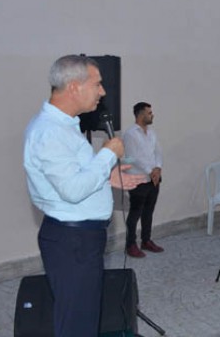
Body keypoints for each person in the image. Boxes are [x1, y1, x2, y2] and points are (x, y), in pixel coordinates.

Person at [24, 55, 143, 336]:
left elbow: (74, 176)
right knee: (77, 324)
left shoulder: (64, 126)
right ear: (75, 87)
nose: (103, 92)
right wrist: (107, 155)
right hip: (71, 241)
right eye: (98, 84)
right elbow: (73, 190)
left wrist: (106, 176)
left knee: (82, 318)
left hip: (77, 240)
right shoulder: (51, 132)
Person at [123, 102, 165, 258]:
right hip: (138, 179)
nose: (152, 115)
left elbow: (158, 152)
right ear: (140, 115)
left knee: (149, 211)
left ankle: (146, 240)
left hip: (153, 179)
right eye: (149, 112)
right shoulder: (130, 134)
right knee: (135, 213)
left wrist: (158, 168)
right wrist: (150, 171)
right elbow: (132, 158)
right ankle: (130, 245)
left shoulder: (152, 133)